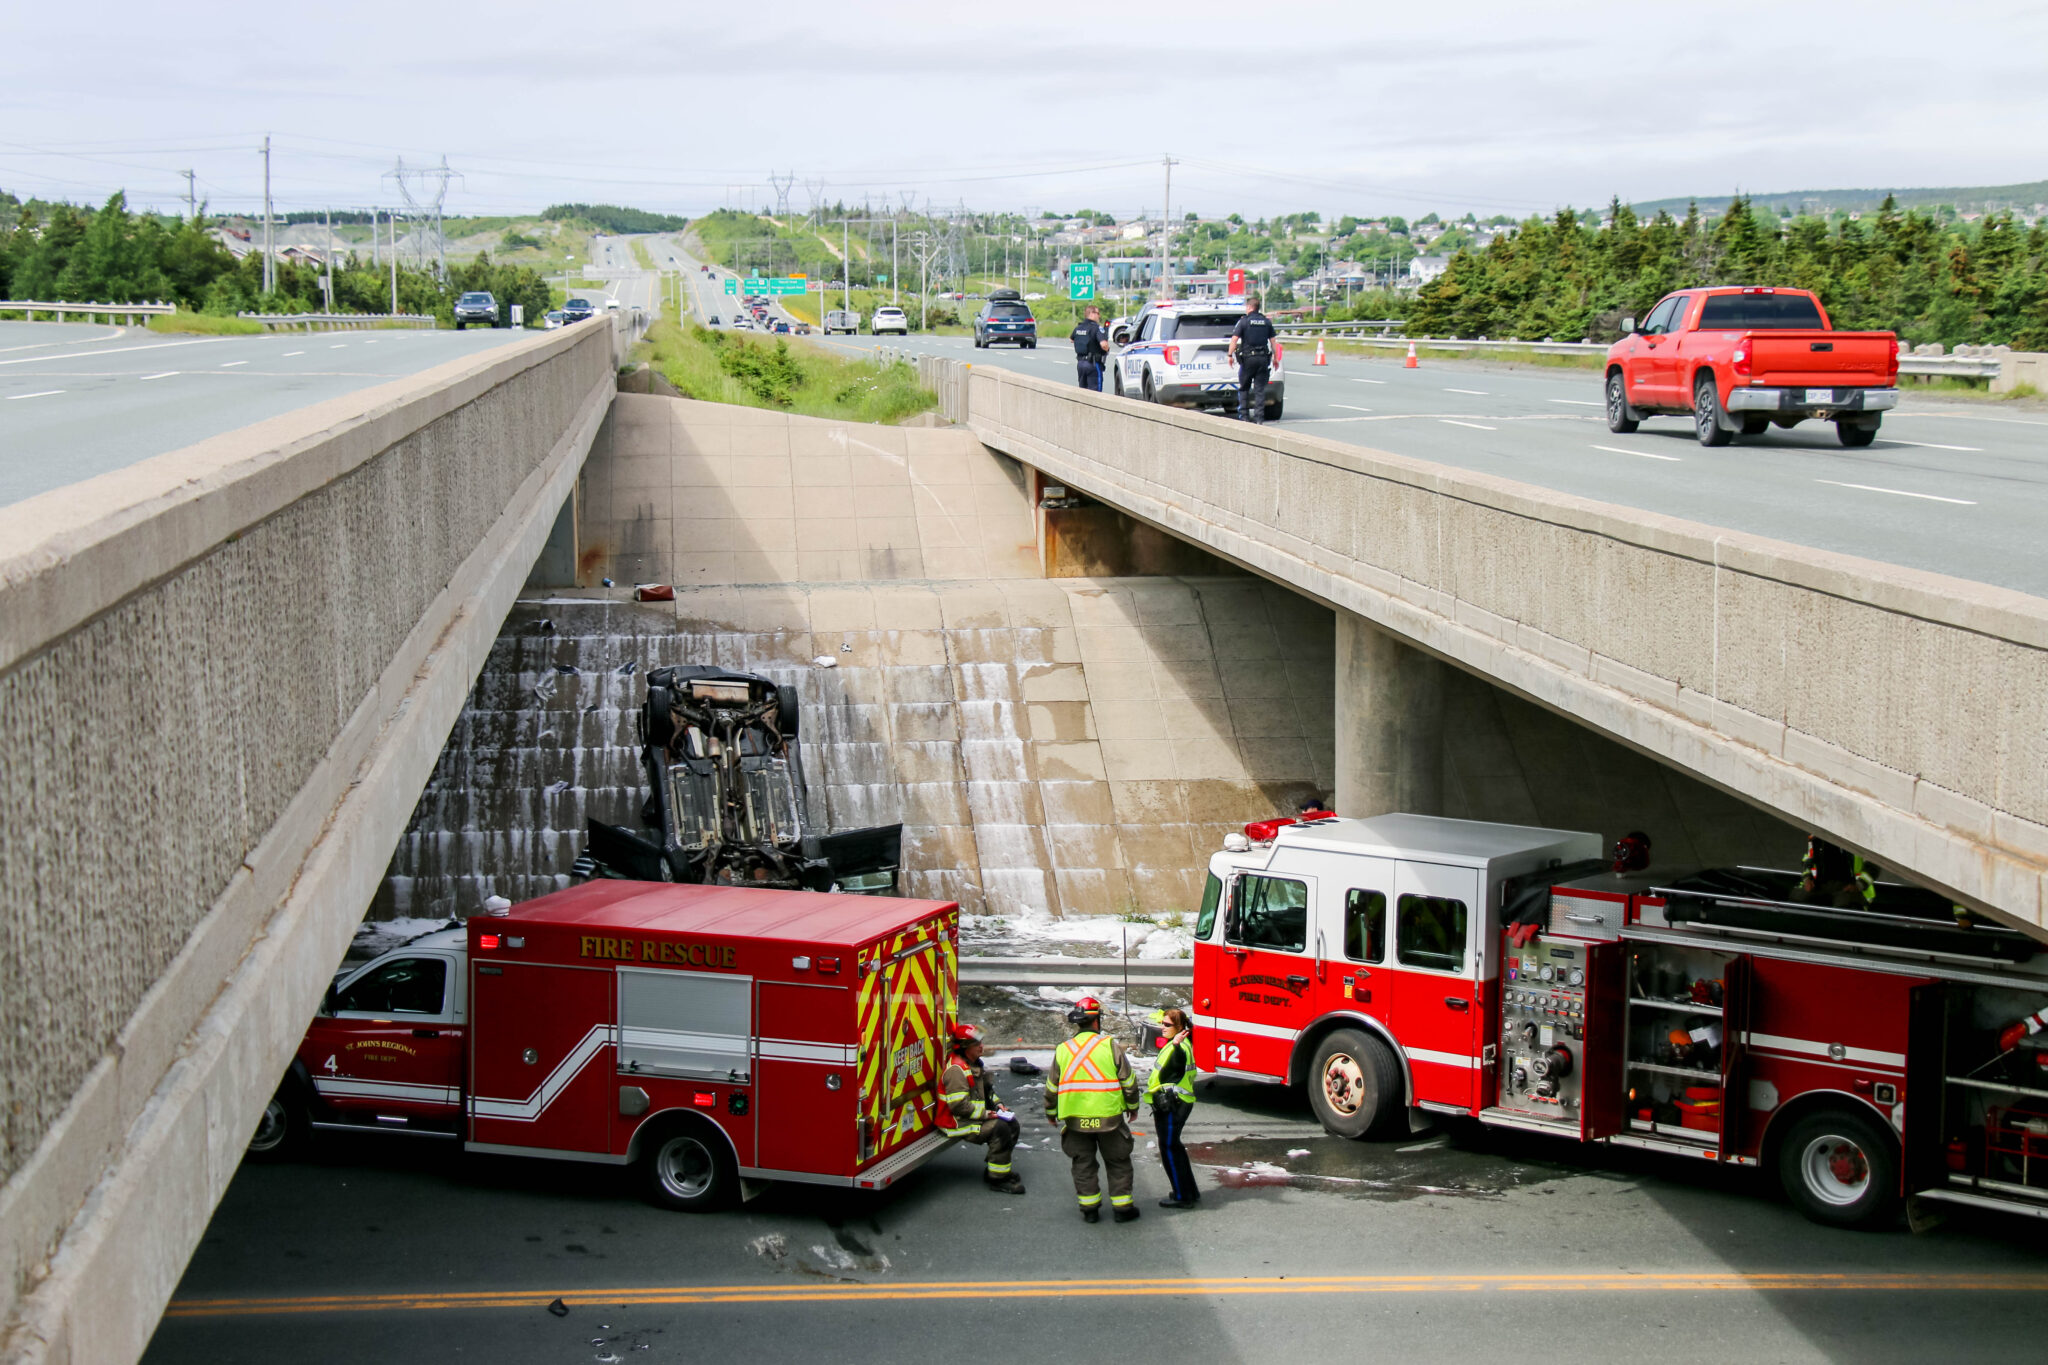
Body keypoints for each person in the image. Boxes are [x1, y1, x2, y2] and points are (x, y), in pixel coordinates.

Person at [1043, 996, 1141, 1222]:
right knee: (1118, 1161)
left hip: (1076, 1120)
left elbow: (1051, 1087)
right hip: (1110, 1119)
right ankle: (1123, 1209)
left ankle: (1090, 1210)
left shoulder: (1063, 1049)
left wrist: (1051, 1112)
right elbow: (1128, 1081)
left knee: (1083, 1163)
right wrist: (1132, 1107)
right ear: (1097, 1020)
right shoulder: (1109, 1045)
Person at [939, 1023, 1024, 1194]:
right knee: (1000, 1129)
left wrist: (998, 1106)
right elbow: (958, 1106)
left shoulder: (975, 1063)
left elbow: (987, 1091)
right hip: (958, 1123)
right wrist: (986, 1114)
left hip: (971, 1117)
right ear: (964, 1047)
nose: (981, 1047)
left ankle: (996, 1168)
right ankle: (998, 1179)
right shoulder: (957, 1070)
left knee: (1012, 1124)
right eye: (976, 1044)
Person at [1144, 1008, 1200, 1210]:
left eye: (1167, 1025)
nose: (1162, 1027)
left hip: (1172, 1105)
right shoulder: (1179, 1043)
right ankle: (1189, 1191)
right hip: (1178, 1103)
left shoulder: (1179, 1047)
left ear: (1179, 1028)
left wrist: (1175, 1046)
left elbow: (1177, 1064)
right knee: (1175, 1147)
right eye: (1162, 1023)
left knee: (1169, 1149)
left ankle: (1181, 1196)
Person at [1227, 294, 1278, 423]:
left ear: (1250, 307)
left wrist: (1230, 355)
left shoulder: (1244, 321)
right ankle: (1259, 418)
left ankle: (1244, 416)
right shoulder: (1266, 322)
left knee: (1244, 388)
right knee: (1259, 390)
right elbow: (1273, 342)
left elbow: (1234, 340)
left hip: (1248, 359)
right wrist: (1275, 359)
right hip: (1262, 359)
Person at [1071, 303, 1109, 391]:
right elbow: (1104, 344)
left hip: (1080, 363)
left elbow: (1072, 339)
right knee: (1095, 392)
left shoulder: (1079, 327)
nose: (1099, 316)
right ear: (1091, 313)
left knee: (1083, 391)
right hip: (1093, 363)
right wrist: (1107, 349)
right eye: (1098, 313)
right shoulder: (1096, 328)